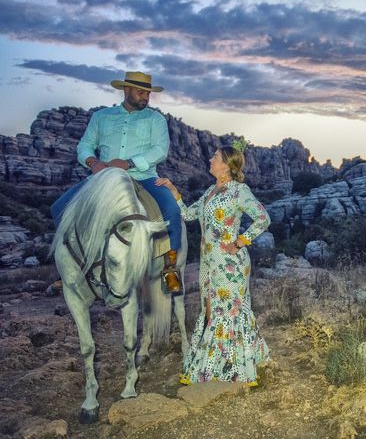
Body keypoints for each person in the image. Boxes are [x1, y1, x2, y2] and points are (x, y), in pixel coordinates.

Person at [50, 71, 183, 293]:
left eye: (148, 93)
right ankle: (71, 269)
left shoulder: (155, 119)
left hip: (143, 177)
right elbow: (85, 144)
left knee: (171, 211)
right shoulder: (101, 117)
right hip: (104, 178)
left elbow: (160, 150)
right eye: (141, 92)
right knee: (59, 209)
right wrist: (92, 162)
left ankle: (169, 268)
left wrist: (129, 163)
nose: (146, 97)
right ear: (126, 90)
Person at [156, 141, 270, 385]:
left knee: (229, 312)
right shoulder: (210, 192)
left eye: (215, 157)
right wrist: (173, 190)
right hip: (209, 263)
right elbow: (187, 214)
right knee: (210, 311)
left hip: (231, 264)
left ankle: (237, 369)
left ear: (227, 166)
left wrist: (240, 241)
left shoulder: (240, 191)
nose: (210, 160)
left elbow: (263, 218)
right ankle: (217, 365)